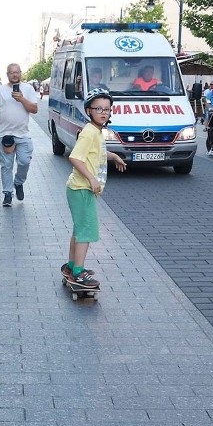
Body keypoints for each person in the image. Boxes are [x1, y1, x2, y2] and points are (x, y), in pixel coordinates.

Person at [62, 88, 126, 289]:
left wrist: (114, 156)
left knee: (79, 230)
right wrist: (91, 179)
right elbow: (75, 157)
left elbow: (94, 155)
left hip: (79, 189)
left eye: (107, 109)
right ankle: (78, 273)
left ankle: (72, 266)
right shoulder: (90, 132)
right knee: (86, 232)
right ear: (89, 110)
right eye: (98, 108)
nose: (104, 112)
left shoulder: (96, 131)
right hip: (82, 189)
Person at [0, 63, 38, 207]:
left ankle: (18, 183)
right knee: (6, 165)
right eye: (11, 72)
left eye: (17, 72)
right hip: (5, 134)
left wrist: (22, 99)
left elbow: (34, 109)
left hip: (23, 134)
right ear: (7, 74)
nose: (14, 75)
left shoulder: (28, 89)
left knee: (24, 162)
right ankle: (7, 193)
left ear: (20, 73)